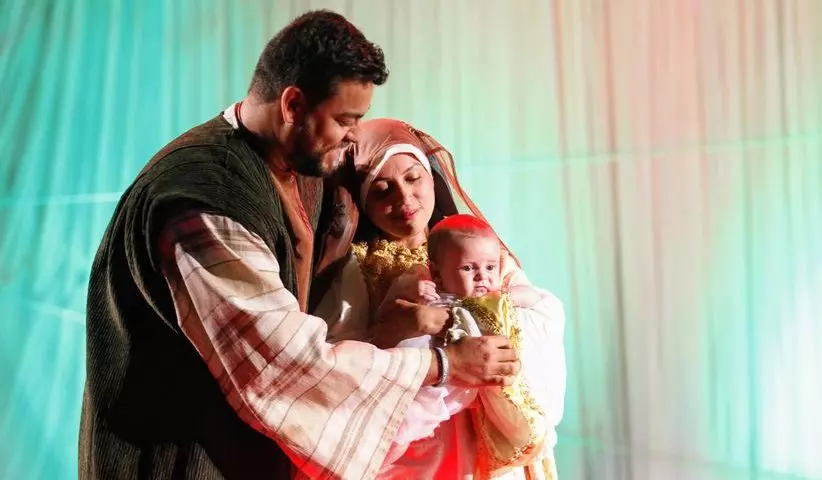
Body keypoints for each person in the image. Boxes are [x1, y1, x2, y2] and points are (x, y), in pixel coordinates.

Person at [79, 11, 520, 480]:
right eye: (345, 120)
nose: (354, 136)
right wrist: (443, 364)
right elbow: (284, 363)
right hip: (179, 460)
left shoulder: (298, 163)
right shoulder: (205, 200)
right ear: (292, 106)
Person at [314, 118, 566, 478]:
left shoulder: (477, 249)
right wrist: (400, 330)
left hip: (488, 428)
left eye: (413, 178)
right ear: (364, 201)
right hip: (417, 442)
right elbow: (341, 360)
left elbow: (536, 322)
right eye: (382, 190)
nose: (404, 199)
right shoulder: (360, 268)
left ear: (432, 177)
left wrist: (449, 321)